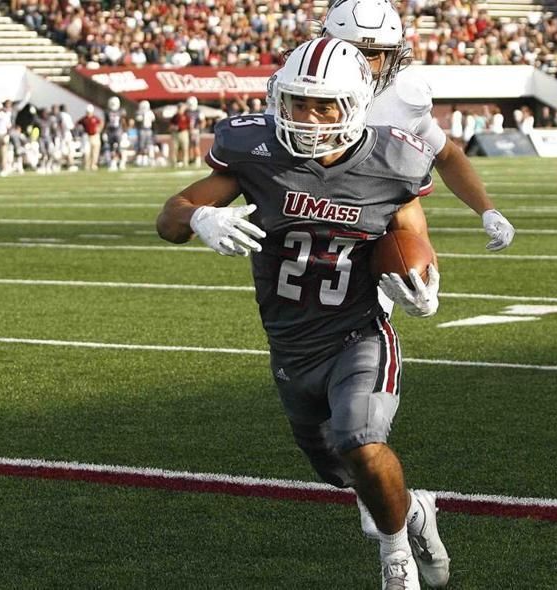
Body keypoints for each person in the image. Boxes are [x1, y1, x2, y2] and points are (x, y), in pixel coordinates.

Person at [156, 38, 446, 590]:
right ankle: (412, 510)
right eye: (294, 102)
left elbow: (412, 242)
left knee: (360, 441)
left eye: (323, 106)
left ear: (357, 105)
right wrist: (200, 220)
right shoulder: (256, 155)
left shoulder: (395, 161)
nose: (305, 118)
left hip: (359, 333)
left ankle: (395, 556)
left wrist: (423, 287)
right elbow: (169, 217)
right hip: (290, 342)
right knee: (341, 471)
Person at [316, 0, 515, 252]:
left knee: (411, 254)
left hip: (374, 226)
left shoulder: (403, 97)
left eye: (372, 53)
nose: (360, 63)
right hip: (304, 217)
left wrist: (487, 210)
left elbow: (447, 156)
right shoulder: (299, 86)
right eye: (350, 50)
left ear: (392, 53)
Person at [103, 96, 127, 171]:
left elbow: (123, 122)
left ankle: (122, 162)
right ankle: (113, 163)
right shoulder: (107, 111)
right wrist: (104, 132)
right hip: (110, 131)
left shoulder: (121, 111)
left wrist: (125, 132)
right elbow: (106, 122)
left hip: (118, 130)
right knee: (112, 148)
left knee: (119, 148)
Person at [77, 104, 102, 171]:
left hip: (95, 136)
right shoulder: (84, 119)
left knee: (95, 151)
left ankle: (94, 165)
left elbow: (101, 123)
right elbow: (77, 124)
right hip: (87, 136)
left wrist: (99, 129)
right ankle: (87, 165)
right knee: (87, 152)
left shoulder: (95, 118)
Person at [186, 95, 206, 166]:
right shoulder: (186, 112)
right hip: (188, 131)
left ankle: (197, 159)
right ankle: (191, 160)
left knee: (196, 145)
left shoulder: (198, 112)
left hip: (195, 131)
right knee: (189, 146)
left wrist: (199, 128)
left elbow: (203, 122)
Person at [169, 102, 190, 168]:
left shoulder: (186, 116)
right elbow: (171, 124)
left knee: (185, 148)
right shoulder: (175, 116)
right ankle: (174, 162)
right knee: (175, 148)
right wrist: (173, 127)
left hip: (184, 132)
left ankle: (185, 162)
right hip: (176, 134)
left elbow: (188, 125)